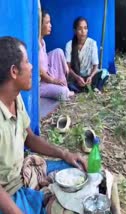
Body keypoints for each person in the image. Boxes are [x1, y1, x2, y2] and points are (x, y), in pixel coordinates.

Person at [0, 36, 86, 213]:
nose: (32, 67)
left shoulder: (15, 98)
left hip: (23, 174)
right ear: (14, 71)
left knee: (77, 170)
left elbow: (29, 138)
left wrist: (65, 154)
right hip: (8, 194)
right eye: (27, 62)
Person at [65, 17, 109, 93]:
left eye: (85, 28)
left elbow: (95, 66)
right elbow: (67, 67)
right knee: (67, 81)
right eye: (80, 29)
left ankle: (87, 87)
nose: (83, 31)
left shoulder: (92, 43)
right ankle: (91, 88)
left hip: (89, 76)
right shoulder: (69, 45)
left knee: (105, 72)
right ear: (75, 31)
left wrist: (91, 77)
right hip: (76, 77)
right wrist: (77, 77)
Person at [39, 10, 74, 101]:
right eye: (47, 22)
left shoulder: (42, 42)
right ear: (39, 25)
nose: (50, 25)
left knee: (58, 51)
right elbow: (38, 70)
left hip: (47, 74)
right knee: (63, 92)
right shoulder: (35, 45)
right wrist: (53, 81)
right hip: (40, 84)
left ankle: (62, 84)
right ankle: (63, 88)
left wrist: (64, 65)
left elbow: (45, 61)